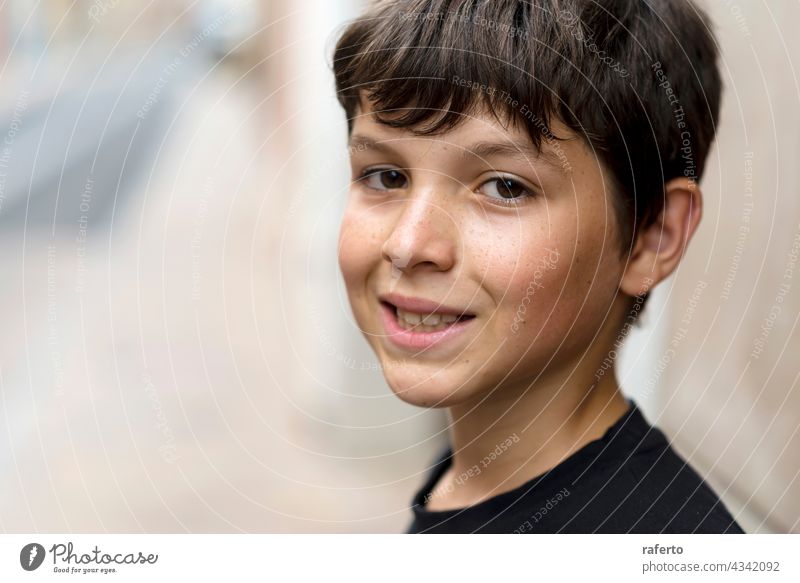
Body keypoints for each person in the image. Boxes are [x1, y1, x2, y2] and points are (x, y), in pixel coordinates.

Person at [332, 0, 743, 533]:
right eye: (385, 176)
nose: (408, 246)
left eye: (505, 187)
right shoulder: (466, 476)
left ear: (650, 238)